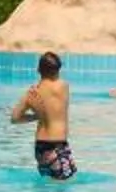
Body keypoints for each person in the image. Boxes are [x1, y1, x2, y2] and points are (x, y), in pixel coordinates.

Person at [11, 50, 76, 180]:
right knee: (62, 189)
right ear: (58, 70)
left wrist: (37, 116)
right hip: (58, 145)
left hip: (40, 147)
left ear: (38, 70)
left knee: (48, 188)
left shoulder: (32, 94)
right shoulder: (64, 86)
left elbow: (15, 118)